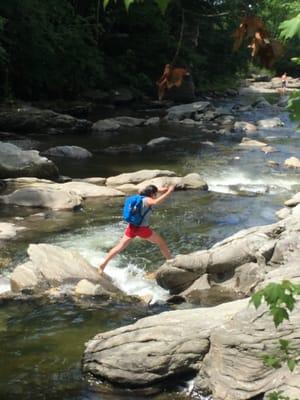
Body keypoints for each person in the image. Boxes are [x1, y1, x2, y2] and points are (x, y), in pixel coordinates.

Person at [98, 184, 175, 274]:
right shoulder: (148, 200)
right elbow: (155, 202)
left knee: (119, 247)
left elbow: (149, 190)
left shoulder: (139, 196)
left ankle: (103, 265)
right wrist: (169, 192)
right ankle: (170, 261)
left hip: (132, 226)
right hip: (142, 229)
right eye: (155, 194)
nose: (156, 195)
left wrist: (164, 189)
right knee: (162, 243)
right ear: (152, 194)